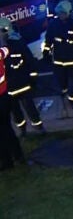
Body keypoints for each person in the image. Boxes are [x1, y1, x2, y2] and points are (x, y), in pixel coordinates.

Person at [0, 17, 45, 137]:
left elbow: (30, 62)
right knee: (16, 113)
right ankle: (23, 130)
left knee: (30, 108)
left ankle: (39, 128)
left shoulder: (18, 44)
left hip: (23, 85)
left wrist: (33, 78)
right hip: (9, 89)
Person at [43, 0, 73, 109]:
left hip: (72, 59)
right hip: (58, 59)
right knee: (61, 79)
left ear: (68, 13)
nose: (60, 15)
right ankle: (63, 90)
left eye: (62, 13)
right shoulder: (53, 24)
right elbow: (48, 39)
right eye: (59, 13)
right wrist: (46, 51)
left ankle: (72, 99)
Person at [0, 25, 24, 171]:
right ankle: (18, 155)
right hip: (4, 97)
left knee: (1, 132)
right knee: (7, 128)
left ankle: (6, 161)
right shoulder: (1, 53)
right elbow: (5, 49)